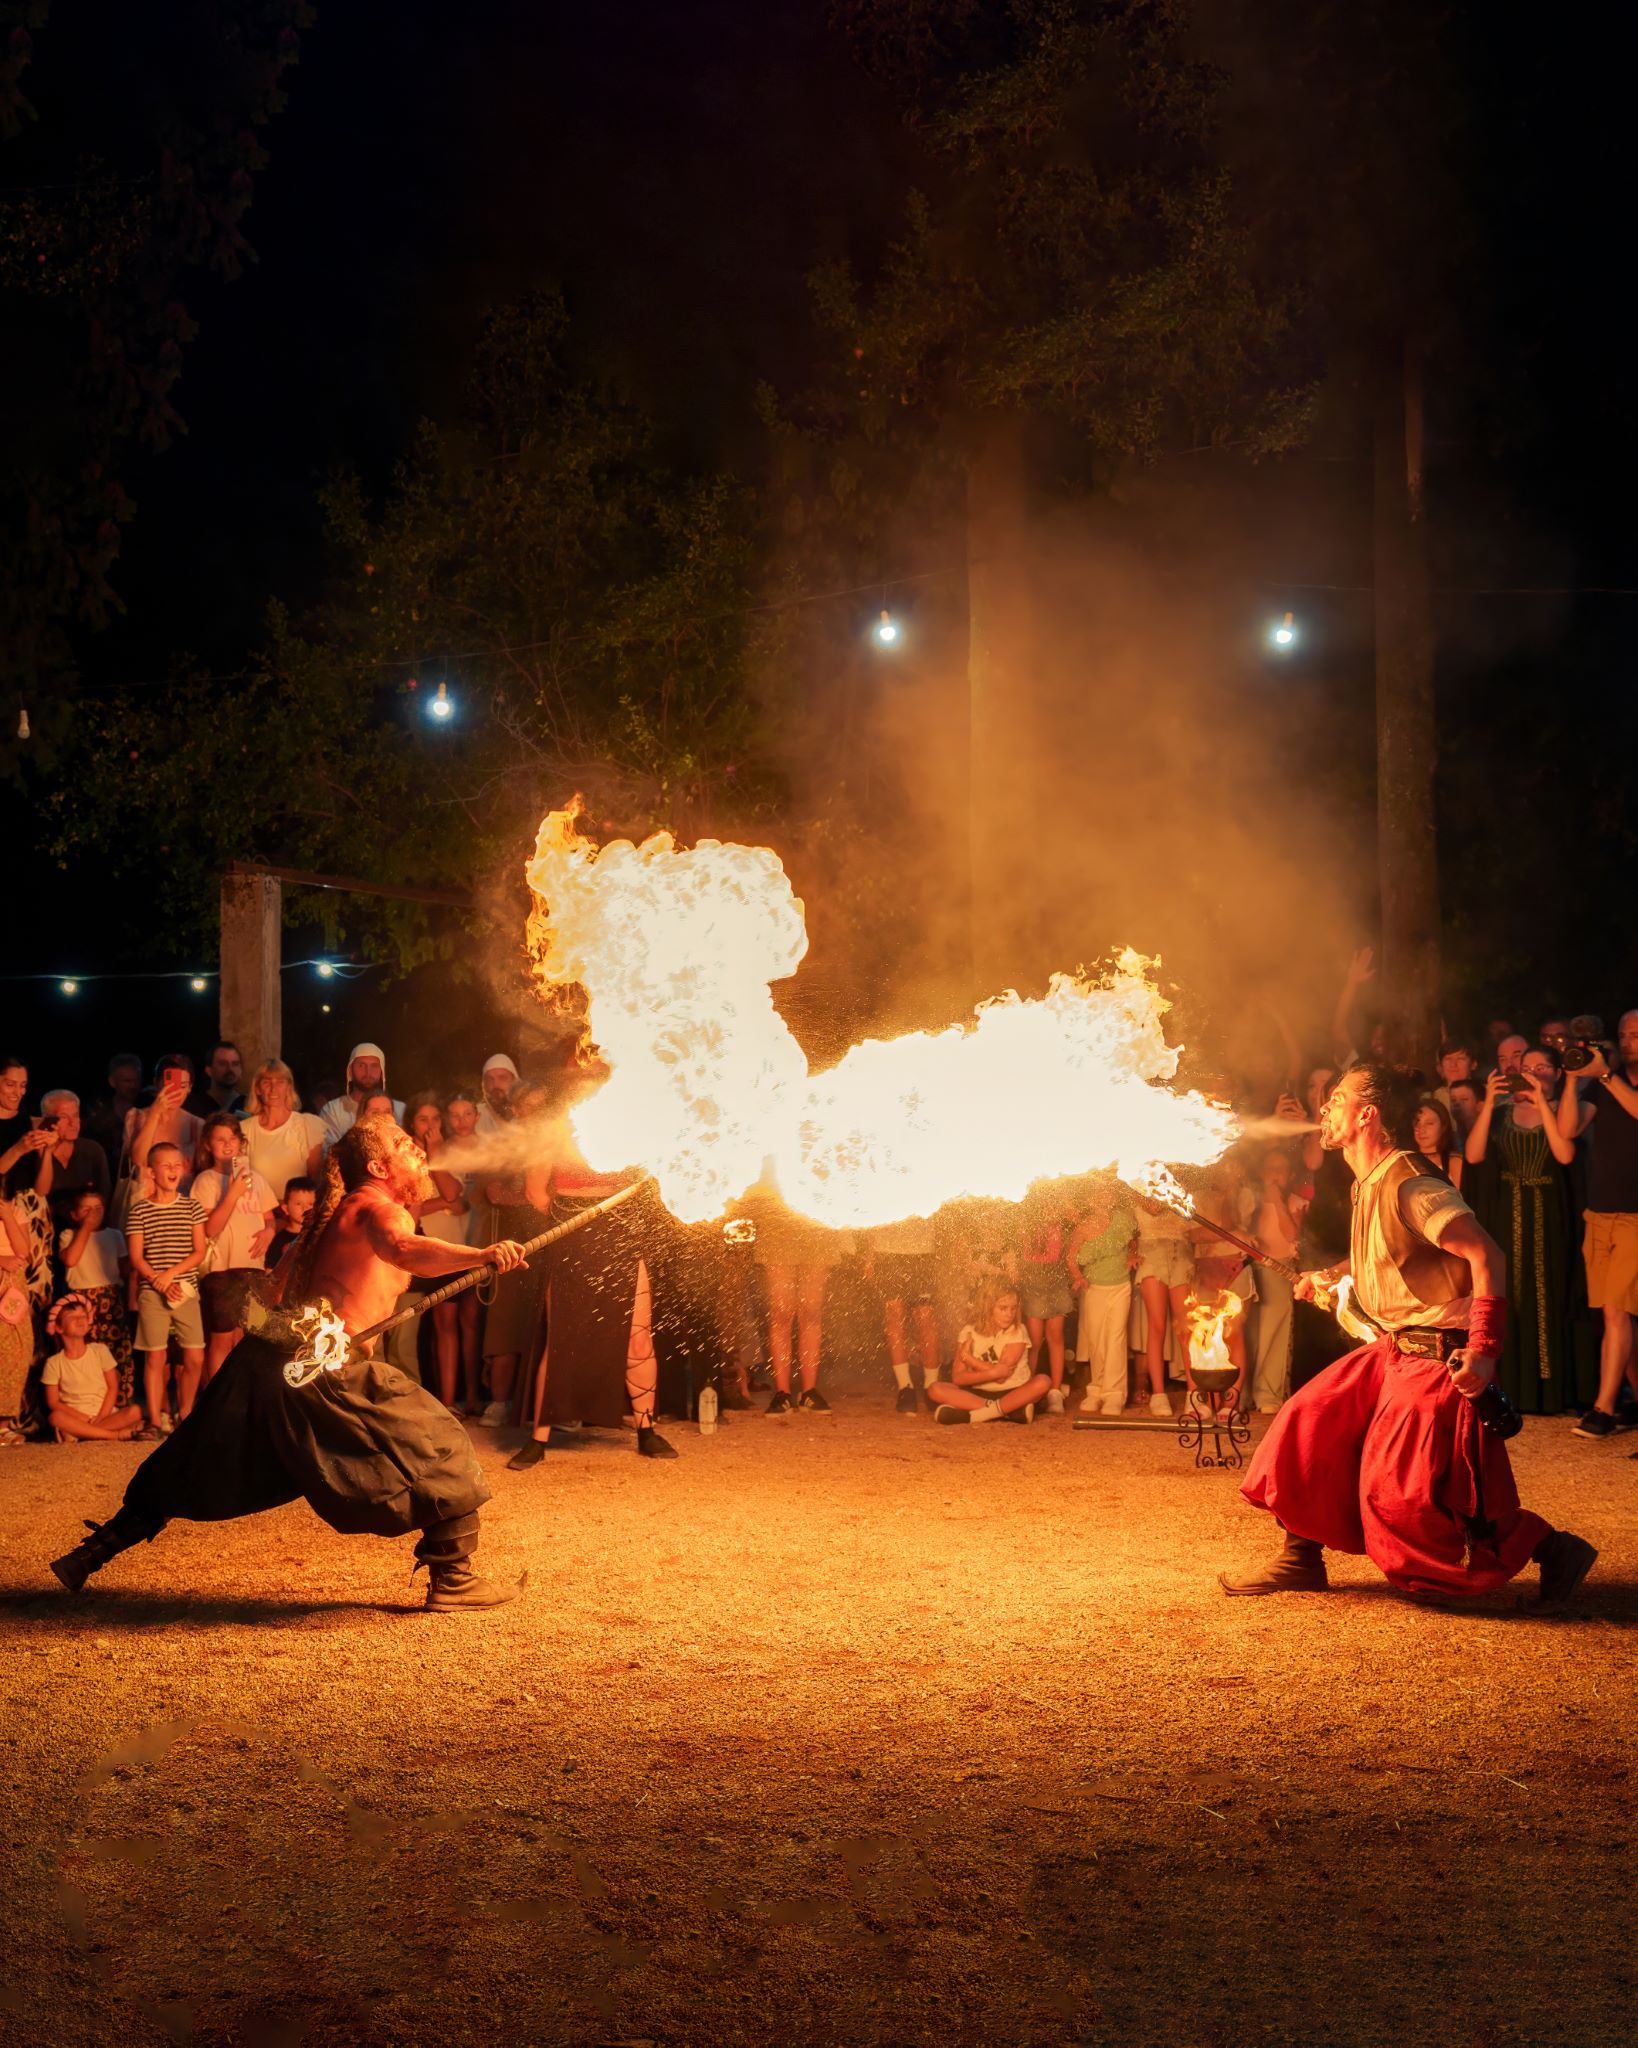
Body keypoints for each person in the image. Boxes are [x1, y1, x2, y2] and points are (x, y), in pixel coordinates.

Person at [49, 1114, 531, 1612]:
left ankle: (89, 1555)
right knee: (439, 1441)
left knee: (195, 1459)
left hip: (269, 1361)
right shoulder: (378, 1209)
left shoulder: (331, 1218)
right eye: (405, 1145)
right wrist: (482, 1254)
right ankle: (454, 1579)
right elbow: (403, 1249)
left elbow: (273, 1286)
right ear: (378, 1167)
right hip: (323, 1367)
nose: (419, 1151)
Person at [1222, 1061, 1596, 1609]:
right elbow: (1394, 1256)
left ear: (1367, 1115)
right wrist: (1333, 1275)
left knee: (1405, 1501)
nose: (1324, 1108)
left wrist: (1484, 1351)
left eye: (1338, 1098)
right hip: (1394, 1350)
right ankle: (1301, 1556)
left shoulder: (1412, 1184)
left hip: (1436, 1356)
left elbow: (1487, 1255)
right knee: (1309, 1421)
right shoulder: (1369, 1180)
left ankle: (1553, 1548)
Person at [512, 1065, 681, 1461]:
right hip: (573, 1232)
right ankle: (538, 1439)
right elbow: (536, 1191)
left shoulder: (628, 1121)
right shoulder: (554, 1126)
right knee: (562, 1336)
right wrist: (573, 1221)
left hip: (622, 1229)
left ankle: (646, 1430)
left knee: (638, 1334)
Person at [1463, 1052, 1582, 1417]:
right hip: (1506, 1212)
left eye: (1540, 1068)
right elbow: (1473, 1155)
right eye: (1526, 1068)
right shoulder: (1501, 1114)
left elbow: (1564, 1154)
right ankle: (1512, 1386)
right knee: (1509, 1293)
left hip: (1546, 1213)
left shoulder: (1561, 1112)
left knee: (1544, 1295)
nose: (1532, 1074)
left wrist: (1542, 1101)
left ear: (1555, 1073)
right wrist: (1488, 1101)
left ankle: (1546, 1389)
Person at [1557, 1012, 1638, 1442]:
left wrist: (1604, 1075)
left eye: (1636, 1035)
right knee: (1614, 1312)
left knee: (1616, 1311)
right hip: (1600, 1212)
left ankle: (1604, 1409)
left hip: (1635, 1215)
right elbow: (1568, 1128)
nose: (1628, 1041)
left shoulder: (1612, 1082)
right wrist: (1573, 1079)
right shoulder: (1601, 1084)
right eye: (1623, 1035)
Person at [478, 1081, 552, 1430]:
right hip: (510, 1244)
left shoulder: (556, 1144)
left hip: (549, 1243)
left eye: (541, 1108)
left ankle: (550, 1406)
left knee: (548, 1323)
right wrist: (533, 1197)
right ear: (517, 1110)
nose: (534, 1114)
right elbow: (494, 1192)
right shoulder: (505, 1145)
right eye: (529, 1107)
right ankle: (499, 1402)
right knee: (505, 1324)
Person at [405, 1094, 482, 1414]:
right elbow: (417, 1206)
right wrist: (442, 1204)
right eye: (423, 1119)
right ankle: (444, 1401)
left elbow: (456, 1195)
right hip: (425, 1243)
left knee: (462, 1320)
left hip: (458, 1241)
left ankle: (467, 1399)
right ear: (412, 1122)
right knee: (434, 1324)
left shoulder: (448, 1151)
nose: (430, 1125)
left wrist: (436, 1151)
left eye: (436, 1119)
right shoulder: (406, 1155)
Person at [126, 1142, 210, 1432]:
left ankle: (185, 1413)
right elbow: (137, 1257)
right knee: (155, 1356)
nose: (174, 1170)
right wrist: (158, 1282)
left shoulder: (191, 1207)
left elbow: (199, 1251)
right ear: (151, 1172)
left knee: (195, 1356)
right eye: (166, 1165)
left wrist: (171, 1276)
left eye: (177, 1164)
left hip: (184, 1289)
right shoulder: (140, 1210)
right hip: (153, 1292)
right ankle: (154, 1420)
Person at [192, 1112, 279, 1387]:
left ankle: (242, 1393)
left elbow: (269, 1218)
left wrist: (269, 1231)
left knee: (247, 1337)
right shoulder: (206, 1181)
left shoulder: (256, 1179)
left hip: (252, 1267)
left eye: (232, 1138)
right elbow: (210, 1228)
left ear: (241, 1142)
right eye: (220, 1139)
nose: (228, 1144)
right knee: (222, 1336)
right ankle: (217, 1394)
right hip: (222, 1269)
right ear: (209, 1145)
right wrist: (232, 1193)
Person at [1066, 1178, 1140, 1418]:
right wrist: (1078, 1277)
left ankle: (1114, 1395)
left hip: (1120, 1287)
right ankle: (1096, 1390)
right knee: (1096, 1341)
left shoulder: (1123, 1220)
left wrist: (1132, 1256)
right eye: (1098, 1194)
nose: (1103, 1198)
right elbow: (1071, 1257)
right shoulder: (1083, 1227)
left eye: (1107, 1193)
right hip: (1095, 1290)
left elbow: (1133, 1241)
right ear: (1090, 1200)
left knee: (1116, 1339)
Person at [927, 1283, 1048, 1425]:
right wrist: (993, 1372)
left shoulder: (1018, 1331)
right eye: (1003, 1308)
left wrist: (970, 1360)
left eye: (1013, 1308)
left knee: (1043, 1381)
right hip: (979, 1394)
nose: (1009, 1314)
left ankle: (973, 1416)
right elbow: (958, 1378)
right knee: (934, 1389)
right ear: (987, 1307)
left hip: (1014, 1392)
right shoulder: (968, 1332)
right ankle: (1009, 1411)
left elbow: (1002, 1377)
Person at [58, 1192, 134, 1406]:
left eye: (98, 1209)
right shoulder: (68, 1234)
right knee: (87, 1351)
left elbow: (125, 1269)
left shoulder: (114, 1235)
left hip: (111, 1299)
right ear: (74, 1215)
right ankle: (88, 1403)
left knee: (115, 1351)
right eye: (86, 1209)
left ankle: (119, 1404)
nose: (93, 1213)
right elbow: (70, 1260)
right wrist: (85, 1228)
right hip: (82, 1300)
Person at [39, 1295, 144, 1442]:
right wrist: (84, 1418)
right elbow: (53, 1402)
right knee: (55, 1417)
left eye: (83, 1316)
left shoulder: (100, 1351)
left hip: (105, 1415)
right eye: (73, 1317)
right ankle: (113, 1435)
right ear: (58, 1327)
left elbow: (113, 1387)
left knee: (135, 1411)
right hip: (76, 1418)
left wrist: (101, 1416)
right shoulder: (54, 1363)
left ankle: (81, 1433)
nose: (80, 1320)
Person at [864, 1216, 939, 1414]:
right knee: (895, 1315)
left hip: (923, 1251)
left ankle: (932, 1386)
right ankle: (905, 1387)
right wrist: (870, 1254)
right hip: (886, 1251)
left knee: (925, 1318)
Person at [1249, 1145, 1303, 1414]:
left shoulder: (1295, 1202)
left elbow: (1292, 1234)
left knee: (1275, 1332)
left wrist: (1278, 1202)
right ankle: (1242, 1393)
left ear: (1290, 1175)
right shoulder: (1250, 1201)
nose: (1274, 1175)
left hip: (1281, 1270)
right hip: (1250, 1268)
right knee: (1250, 1333)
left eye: (1281, 1170)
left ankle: (1268, 1393)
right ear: (1261, 1172)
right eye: (1270, 1169)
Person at [1132, 1192, 1194, 1405]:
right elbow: (1153, 1208)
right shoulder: (1139, 1185)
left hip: (1181, 1254)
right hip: (1152, 1255)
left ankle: (1193, 1393)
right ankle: (1158, 1395)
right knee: (1156, 1325)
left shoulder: (1179, 1186)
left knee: (1186, 1327)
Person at [1017, 1188, 1074, 1415]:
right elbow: (1030, 1257)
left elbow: (1060, 1256)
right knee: (1034, 1341)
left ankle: (1055, 1392)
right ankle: (1027, 1392)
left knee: (1055, 1337)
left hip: (1057, 1287)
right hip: (1034, 1287)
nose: (1051, 1209)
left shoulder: (1063, 1227)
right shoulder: (1027, 1227)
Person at [239, 1061, 328, 1202]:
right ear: (257, 1089)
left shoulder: (307, 1126)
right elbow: (240, 1180)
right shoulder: (244, 1129)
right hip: (257, 1210)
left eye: (280, 1082)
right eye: (266, 1083)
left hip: (297, 1211)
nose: (273, 1089)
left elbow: (315, 1180)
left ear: (289, 1087)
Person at [120, 1056, 203, 1206]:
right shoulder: (136, 1117)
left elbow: (202, 1171)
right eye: (170, 1085)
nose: (176, 1092)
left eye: (182, 1086)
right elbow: (139, 1160)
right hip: (145, 1203)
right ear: (156, 1083)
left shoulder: (196, 1125)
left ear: (190, 1088)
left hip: (182, 1204)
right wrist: (154, 1114)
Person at [32, 1089, 113, 1228]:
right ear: (48, 1119)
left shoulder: (92, 1150)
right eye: (64, 1117)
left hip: (88, 1229)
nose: (73, 1123)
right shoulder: (35, 1153)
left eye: (76, 1116)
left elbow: (105, 1195)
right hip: (46, 1229)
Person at [0, 1189, 35, 1447]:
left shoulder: (15, 1210)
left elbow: (24, 1251)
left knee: (17, 1350)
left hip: (12, 1284)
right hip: (4, 1269)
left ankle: (3, 1425)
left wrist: (7, 1216)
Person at [319, 1044, 405, 1145]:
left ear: (382, 1072)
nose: (368, 1073)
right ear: (350, 1071)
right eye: (361, 1065)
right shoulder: (333, 1111)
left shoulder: (400, 1110)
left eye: (374, 1066)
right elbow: (328, 1150)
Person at [84, 1054, 143, 1178]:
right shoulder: (98, 1113)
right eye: (127, 1081)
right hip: (107, 1177)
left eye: (136, 1080)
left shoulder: (147, 1106)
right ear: (112, 1082)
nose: (133, 1086)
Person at [183, 1042, 247, 1120]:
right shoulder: (193, 1106)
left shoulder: (248, 1105)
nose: (230, 1069)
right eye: (223, 1064)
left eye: (235, 1064)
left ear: (241, 1070)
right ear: (209, 1070)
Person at [266, 1176, 318, 1270]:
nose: (305, 1208)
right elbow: (270, 1272)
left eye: (310, 1204)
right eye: (298, 1204)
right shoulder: (279, 1240)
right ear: (286, 1209)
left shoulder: (320, 1235)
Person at [1412, 1096, 1464, 1190]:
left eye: (1429, 1123)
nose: (1421, 1129)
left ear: (1443, 1126)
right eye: (1417, 1123)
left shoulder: (1454, 1162)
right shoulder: (1407, 1161)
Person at [476, 1054, 519, 1137]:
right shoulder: (473, 1117)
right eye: (489, 1079)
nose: (495, 1085)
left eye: (502, 1078)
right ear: (484, 1085)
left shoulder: (528, 1114)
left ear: (514, 1082)